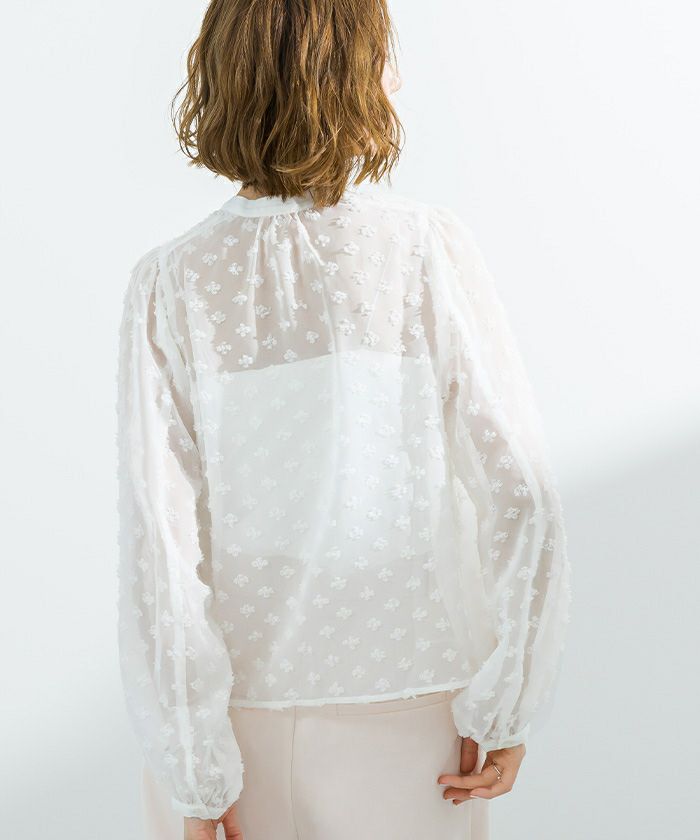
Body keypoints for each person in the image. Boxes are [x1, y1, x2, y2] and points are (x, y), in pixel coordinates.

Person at [116, 1, 572, 838]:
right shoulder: (426, 252)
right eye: (383, 52)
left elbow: (162, 550)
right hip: (417, 713)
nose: (398, 73)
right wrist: (508, 702)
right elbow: (521, 494)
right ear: (349, 75)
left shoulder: (174, 282)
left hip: (231, 727)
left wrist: (195, 772)